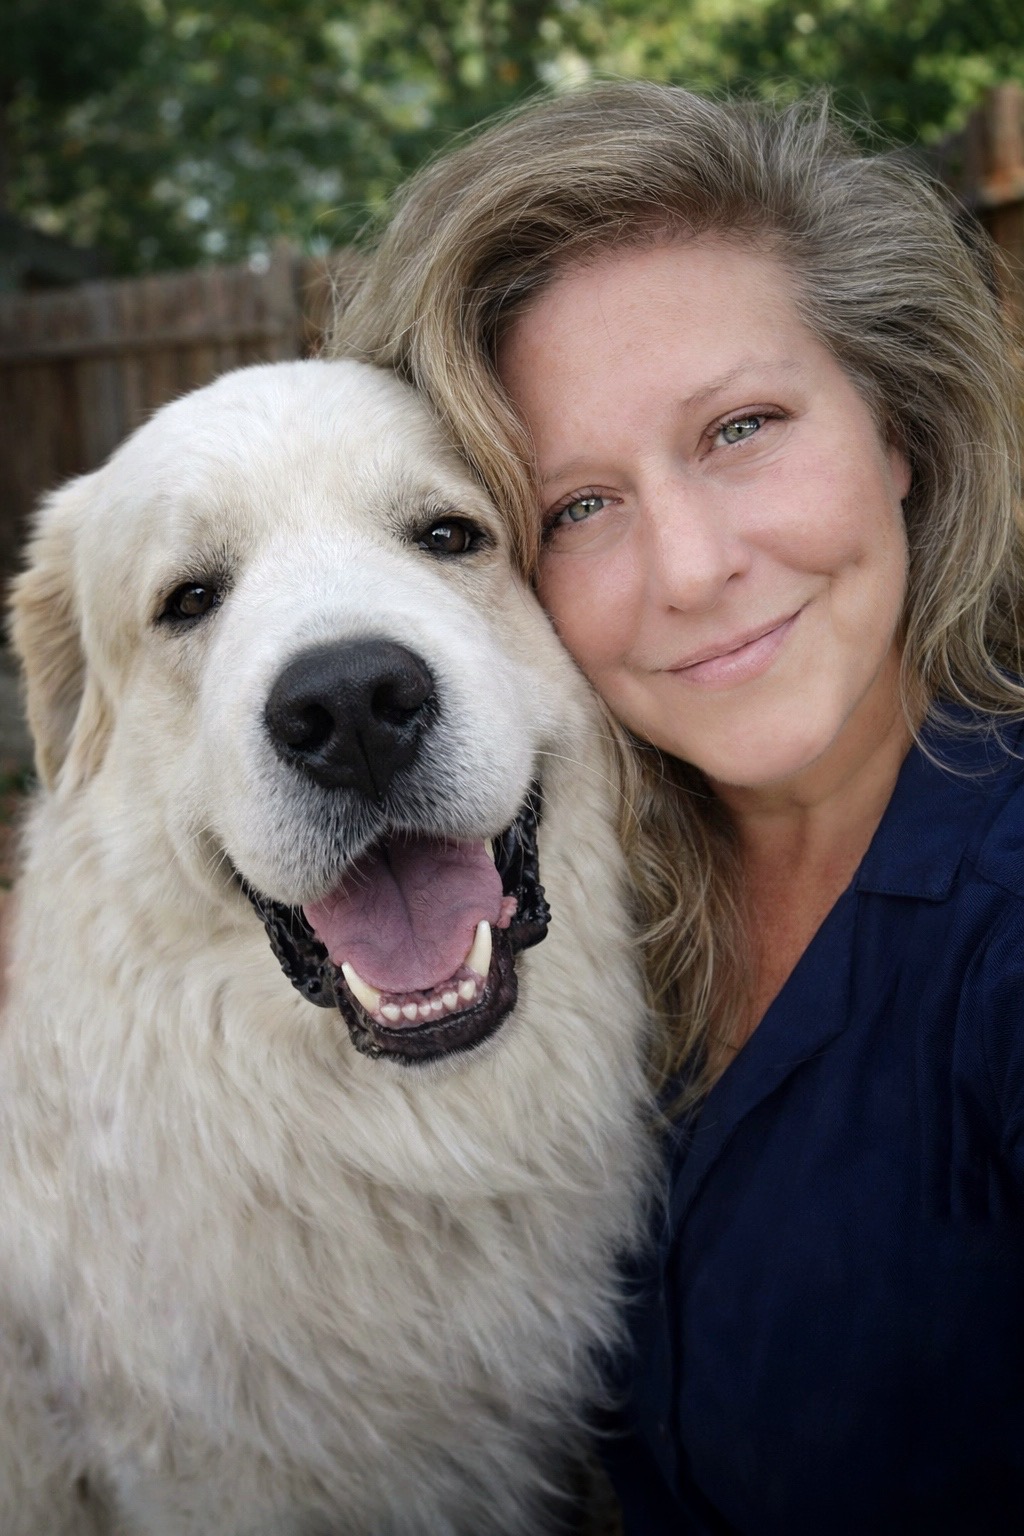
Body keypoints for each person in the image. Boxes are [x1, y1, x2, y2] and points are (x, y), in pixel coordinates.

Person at [332, 82, 1024, 1533]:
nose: (694, 570)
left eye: (741, 427)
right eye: (576, 507)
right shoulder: (546, 915)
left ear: (898, 426)